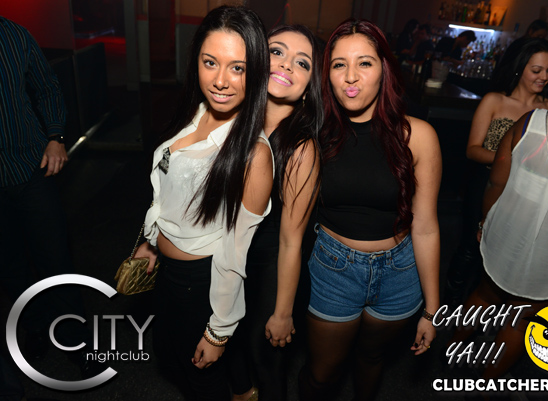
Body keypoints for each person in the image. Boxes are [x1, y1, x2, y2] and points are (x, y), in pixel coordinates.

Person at [134, 6, 273, 400]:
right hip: (168, 273)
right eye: (210, 62)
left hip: (200, 285)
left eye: (238, 68)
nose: (220, 81)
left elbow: (234, 254)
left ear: (256, 72)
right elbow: (169, 192)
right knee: (174, 358)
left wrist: (218, 331)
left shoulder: (253, 154)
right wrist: (150, 242)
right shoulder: (194, 115)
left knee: (200, 378)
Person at [298, 19, 441, 401]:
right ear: (326, 75)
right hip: (333, 269)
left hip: (400, 273)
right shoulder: (314, 134)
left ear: (385, 70)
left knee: (372, 358)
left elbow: (426, 226)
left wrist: (432, 309)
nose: (351, 76)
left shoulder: (418, 136)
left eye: (364, 62)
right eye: (339, 64)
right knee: (322, 374)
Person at [451, 44, 548, 380]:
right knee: (521, 321)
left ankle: (454, 350)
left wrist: (487, 221)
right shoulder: (515, 109)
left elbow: (497, 182)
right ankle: (484, 383)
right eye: (536, 69)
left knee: (484, 295)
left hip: (508, 229)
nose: (544, 77)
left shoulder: (536, 120)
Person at [227, 24, 322, 401]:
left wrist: (283, 312)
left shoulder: (301, 148)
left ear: (310, 85)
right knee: (227, 345)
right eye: (277, 52)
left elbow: (291, 240)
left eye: (302, 62)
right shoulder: (230, 119)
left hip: (270, 267)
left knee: (266, 361)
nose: (285, 64)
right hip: (225, 256)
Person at [0, 16, 98, 378]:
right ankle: (36, 326)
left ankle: (74, 338)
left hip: (32, 167)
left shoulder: (14, 35)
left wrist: (56, 136)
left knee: (55, 258)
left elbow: (47, 87)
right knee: (9, 265)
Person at [444, 38, 548, 307]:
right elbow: (472, 150)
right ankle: (450, 308)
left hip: (525, 193)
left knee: (503, 253)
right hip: (485, 185)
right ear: (520, 68)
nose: (544, 77)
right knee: (471, 247)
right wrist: (510, 159)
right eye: (537, 70)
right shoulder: (495, 101)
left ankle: (482, 309)